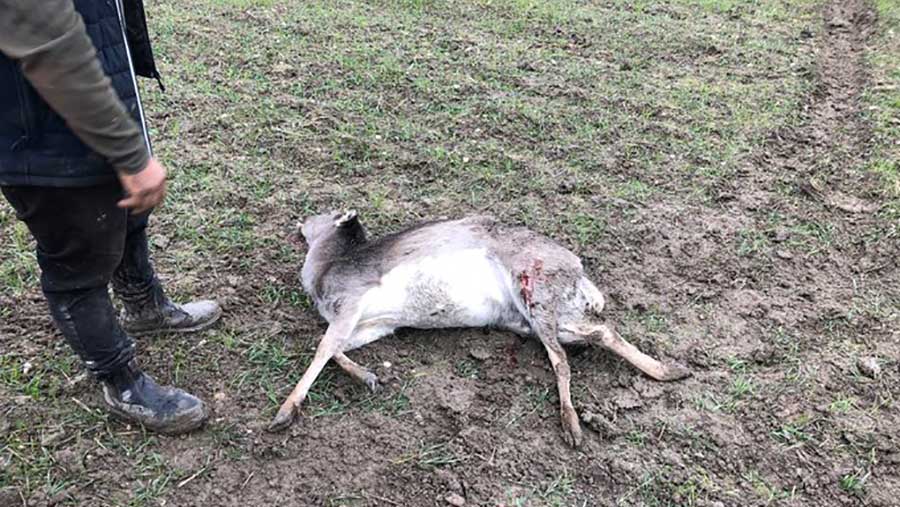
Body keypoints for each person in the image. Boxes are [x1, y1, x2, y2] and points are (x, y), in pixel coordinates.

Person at [0, 0, 221, 434]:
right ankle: (119, 380)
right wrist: (128, 152)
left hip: (91, 91)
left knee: (125, 208)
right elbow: (49, 40)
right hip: (39, 127)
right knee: (79, 259)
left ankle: (145, 305)